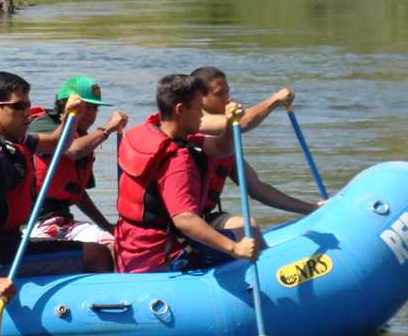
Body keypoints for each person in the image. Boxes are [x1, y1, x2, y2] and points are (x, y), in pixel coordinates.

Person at [0, 71, 112, 302]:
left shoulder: (16, 141)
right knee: (99, 255)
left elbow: (57, 143)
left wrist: (70, 116)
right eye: (19, 106)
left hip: (11, 244)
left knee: (93, 250)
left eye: (28, 105)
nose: (26, 113)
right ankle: (97, 317)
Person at [113, 73, 258, 274]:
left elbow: (219, 149)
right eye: (199, 108)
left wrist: (229, 122)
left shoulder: (144, 132)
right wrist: (235, 248)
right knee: (250, 241)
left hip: (130, 249)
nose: (203, 115)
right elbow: (185, 219)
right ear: (180, 110)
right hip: (160, 257)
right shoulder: (176, 159)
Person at [190, 65, 319, 224]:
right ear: (199, 98)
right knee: (246, 224)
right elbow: (242, 123)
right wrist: (274, 100)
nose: (227, 98)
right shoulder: (196, 126)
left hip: (202, 219)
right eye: (219, 94)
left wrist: (310, 208)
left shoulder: (224, 145)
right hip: (181, 222)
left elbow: (256, 188)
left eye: (227, 91)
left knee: (247, 225)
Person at [27, 75, 128, 264]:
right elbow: (72, 150)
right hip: (34, 223)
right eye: (85, 107)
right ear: (67, 104)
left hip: (64, 222)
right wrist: (106, 130)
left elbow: (78, 194)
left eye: (95, 108)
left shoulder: (86, 138)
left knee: (116, 246)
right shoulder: (43, 124)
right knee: (92, 254)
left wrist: (106, 225)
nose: (91, 114)